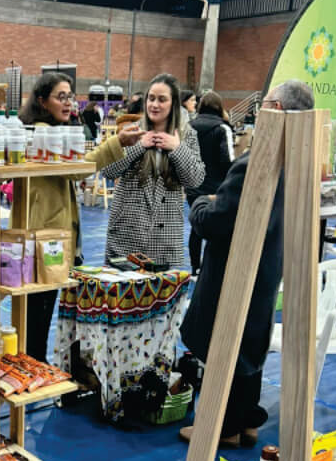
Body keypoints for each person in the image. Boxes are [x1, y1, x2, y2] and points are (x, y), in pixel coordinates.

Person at [179, 79, 314, 448]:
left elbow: (218, 221)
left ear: (277, 110)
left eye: (265, 103)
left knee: (224, 340)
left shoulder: (259, 160)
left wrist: (200, 204)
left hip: (236, 269)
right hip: (270, 266)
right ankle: (247, 420)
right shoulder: (300, 160)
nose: (259, 111)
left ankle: (223, 427)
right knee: (251, 342)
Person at [87, 72, 204, 269]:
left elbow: (195, 180)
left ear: (173, 103)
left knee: (162, 298)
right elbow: (108, 172)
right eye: (151, 98)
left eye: (161, 99)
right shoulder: (131, 131)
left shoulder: (187, 135)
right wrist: (138, 146)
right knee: (123, 297)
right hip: (126, 236)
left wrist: (177, 148)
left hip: (165, 239)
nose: (154, 105)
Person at [18, 72, 82, 361]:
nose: (68, 102)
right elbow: (76, 170)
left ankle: (32, 364)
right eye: (61, 96)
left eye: (70, 96)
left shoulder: (50, 130)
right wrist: (117, 143)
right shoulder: (44, 133)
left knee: (38, 310)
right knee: (38, 310)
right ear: (43, 102)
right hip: (45, 236)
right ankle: (32, 365)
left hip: (48, 234)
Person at [186, 90, 235, 274]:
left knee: (196, 226)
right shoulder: (223, 128)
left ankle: (195, 267)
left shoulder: (189, 127)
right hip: (216, 188)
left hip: (193, 186)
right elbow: (228, 160)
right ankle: (213, 268)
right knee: (217, 227)